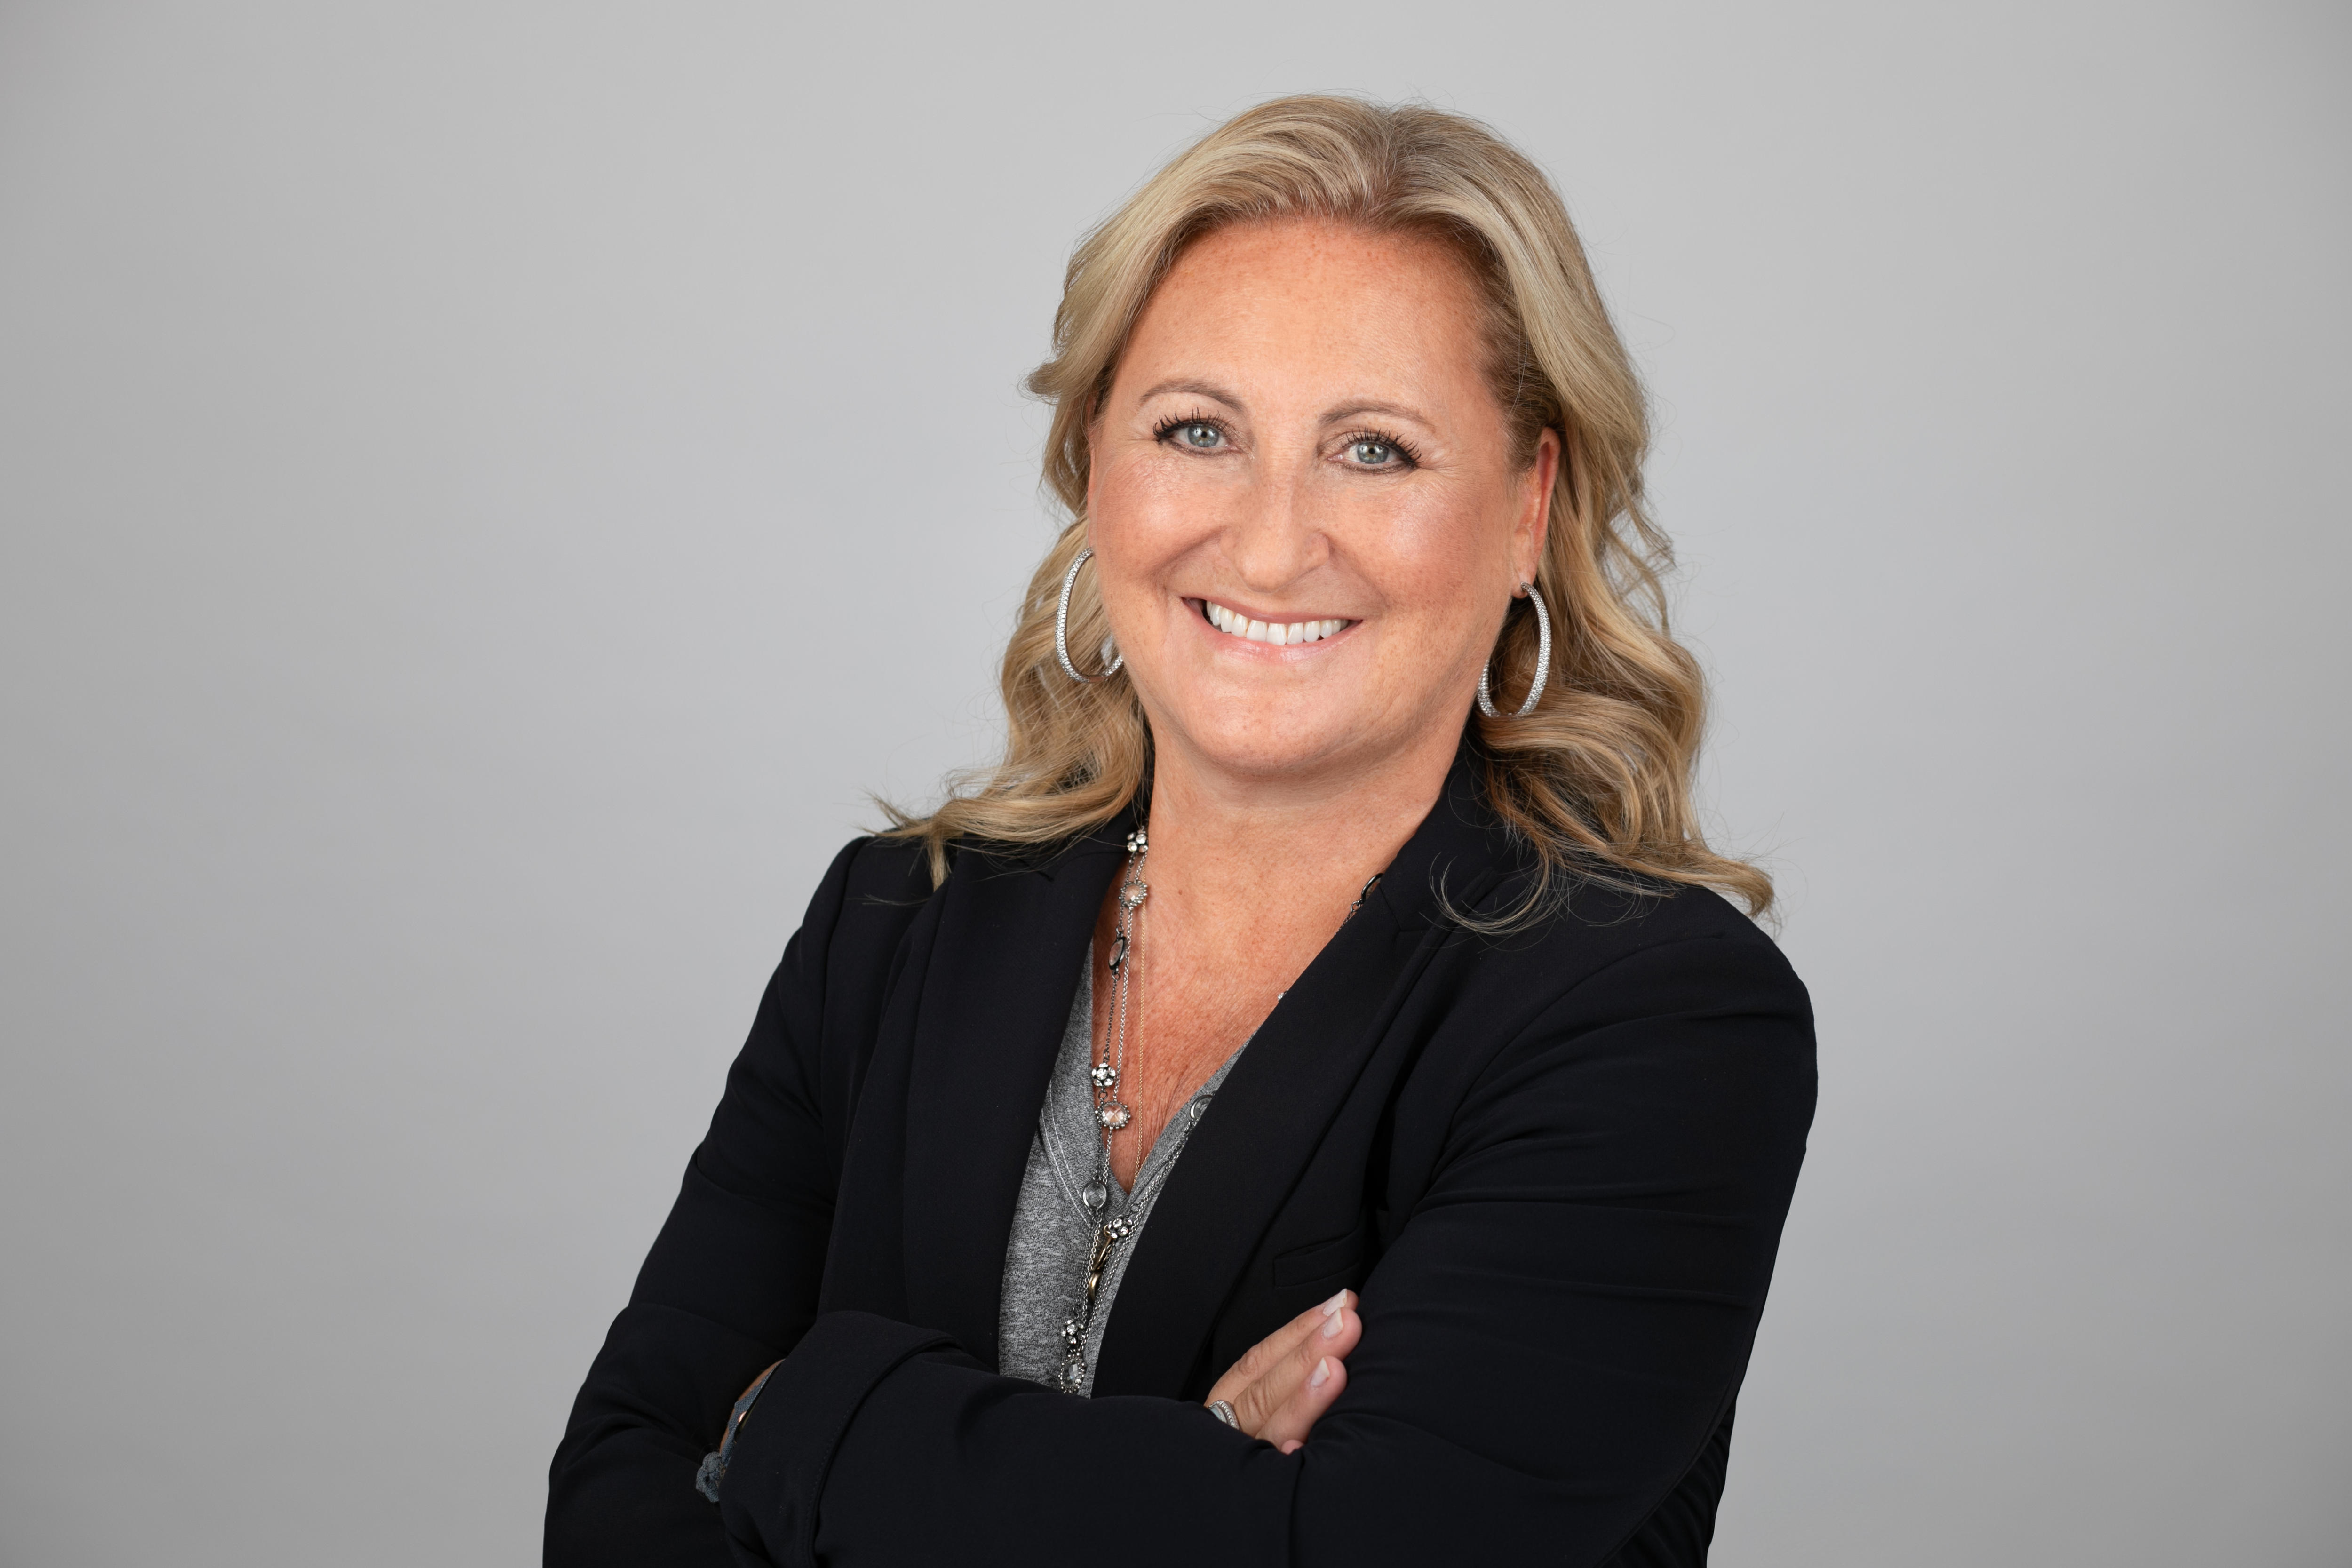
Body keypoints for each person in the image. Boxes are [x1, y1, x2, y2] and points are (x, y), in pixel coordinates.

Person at [546, 95, 1814, 1567]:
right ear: (1096, 466)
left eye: (1377, 451)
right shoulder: (895, 926)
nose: (1272, 542)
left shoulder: (1656, 1019)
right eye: (1199, 431)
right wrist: (1204, 1472)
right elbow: (615, 1501)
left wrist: (790, 1422)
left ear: (1530, 505)